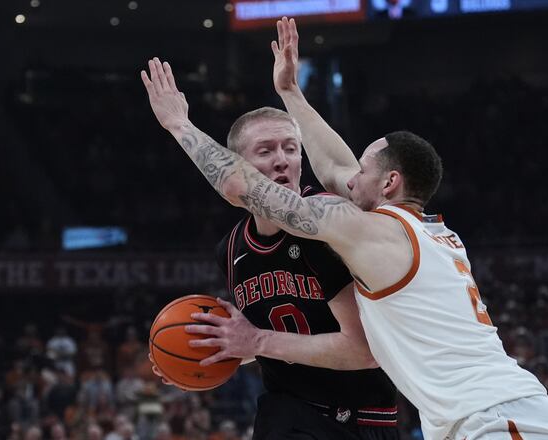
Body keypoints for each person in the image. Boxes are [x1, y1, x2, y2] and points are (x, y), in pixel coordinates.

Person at [140, 17, 548, 439]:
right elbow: (334, 168)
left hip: (496, 417)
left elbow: (242, 187)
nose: (348, 178)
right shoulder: (417, 231)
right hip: (473, 417)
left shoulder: (370, 233)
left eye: (362, 169)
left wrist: (180, 125)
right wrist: (290, 92)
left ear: (389, 183)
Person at [152, 104, 398, 440]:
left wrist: (256, 340)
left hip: (361, 416)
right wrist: (197, 355)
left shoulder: (330, 226)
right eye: (265, 151)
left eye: (291, 148)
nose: (281, 159)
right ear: (239, 166)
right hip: (289, 414)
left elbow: (364, 351)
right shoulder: (230, 249)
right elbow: (269, 340)